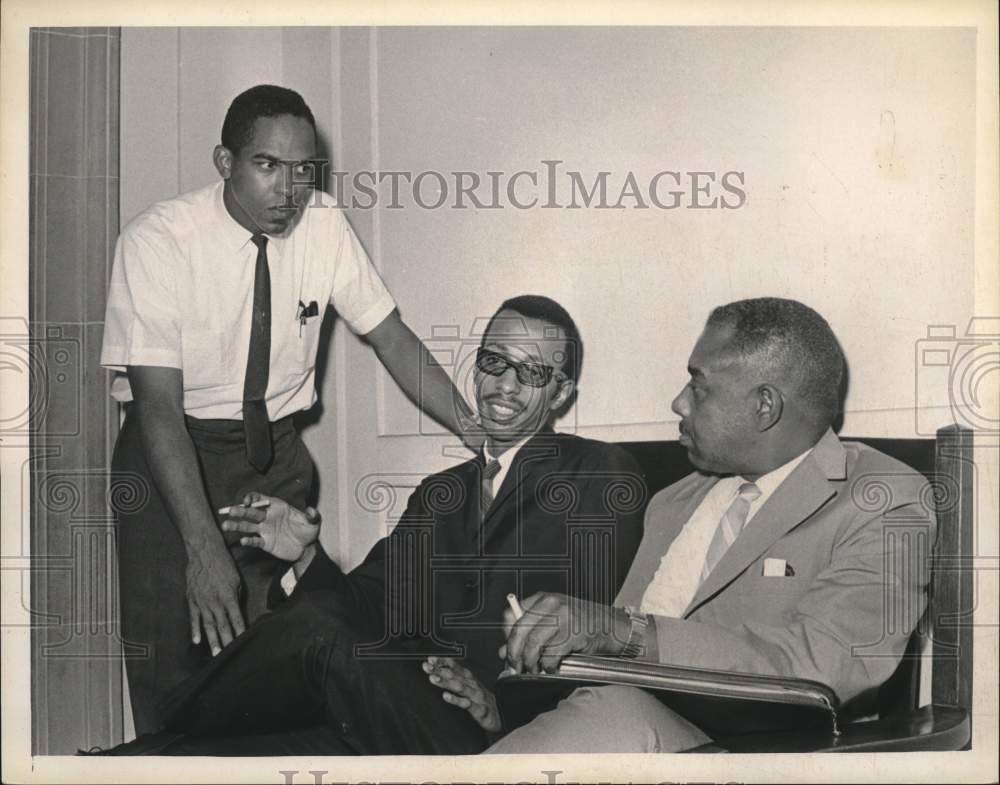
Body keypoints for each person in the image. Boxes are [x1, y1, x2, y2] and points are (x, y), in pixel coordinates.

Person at [104, 294, 645, 756]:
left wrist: (500, 703)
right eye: (494, 362)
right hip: (390, 700)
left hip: (482, 729)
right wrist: (305, 557)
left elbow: (586, 616)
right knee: (187, 762)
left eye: (532, 373)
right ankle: (130, 754)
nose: (504, 385)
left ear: (562, 393)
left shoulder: (598, 472)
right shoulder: (441, 493)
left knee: (317, 627)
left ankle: (172, 714)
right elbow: (364, 607)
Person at [99, 85, 483, 733]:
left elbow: (391, 337)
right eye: (266, 165)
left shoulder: (325, 224)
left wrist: (478, 432)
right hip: (172, 454)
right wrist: (202, 546)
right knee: (175, 669)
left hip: (272, 455)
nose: (289, 189)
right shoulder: (156, 240)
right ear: (225, 162)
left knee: (277, 657)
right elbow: (158, 405)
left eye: (304, 169)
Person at [428, 297, 936, 753]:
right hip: (613, 728)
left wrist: (618, 630)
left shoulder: (882, 498)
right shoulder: (676, 502)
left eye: (699, 386)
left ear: (765, 405)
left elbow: (823, 663)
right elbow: (606, 675)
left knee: (615, 715)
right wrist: (512, 712)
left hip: (755, 753)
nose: (678, 402)